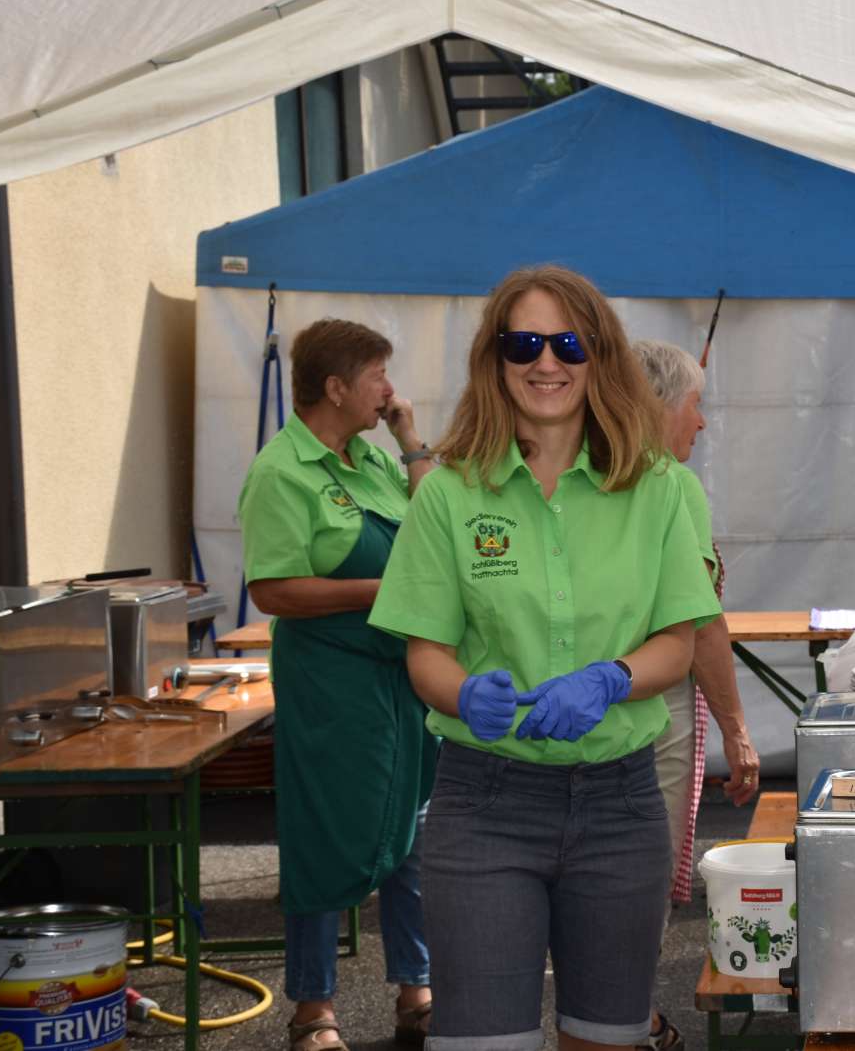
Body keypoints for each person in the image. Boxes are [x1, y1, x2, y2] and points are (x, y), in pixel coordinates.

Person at [368, 265, 722, 1050]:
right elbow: (426, 656)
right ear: (495, 360)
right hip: (485, 804)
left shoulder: (659, 488)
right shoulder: (449, 494)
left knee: (607, 1038)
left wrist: (612, 678)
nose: (547, 362)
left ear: (601, 355)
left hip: (621, 806)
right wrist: (464, 695)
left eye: (569, 343)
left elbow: (678, 644)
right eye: (524, 344)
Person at [236, 319, 439, 1051]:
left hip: (401, 677)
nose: (389, 389)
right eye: (377, 376)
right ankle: (312, 1009)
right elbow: (272, 590)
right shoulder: (281, 473)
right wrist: (379, 592)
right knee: (324, 833)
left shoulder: (374, 460)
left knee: (414, 828)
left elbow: (434, 527)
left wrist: (409, 439)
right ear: (335, 387)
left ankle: (417, 991)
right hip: (331, 681)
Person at [632, 339, 760, 1049]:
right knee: (644, 868)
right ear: (657, 405)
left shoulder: (585, 471)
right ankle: (631, 1018)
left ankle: (615, 1014)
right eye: (695, 404)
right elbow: (702, 621)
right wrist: (738, 730)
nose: (702, 422)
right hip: (652, 707)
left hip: (588, 705)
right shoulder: (670, 483)